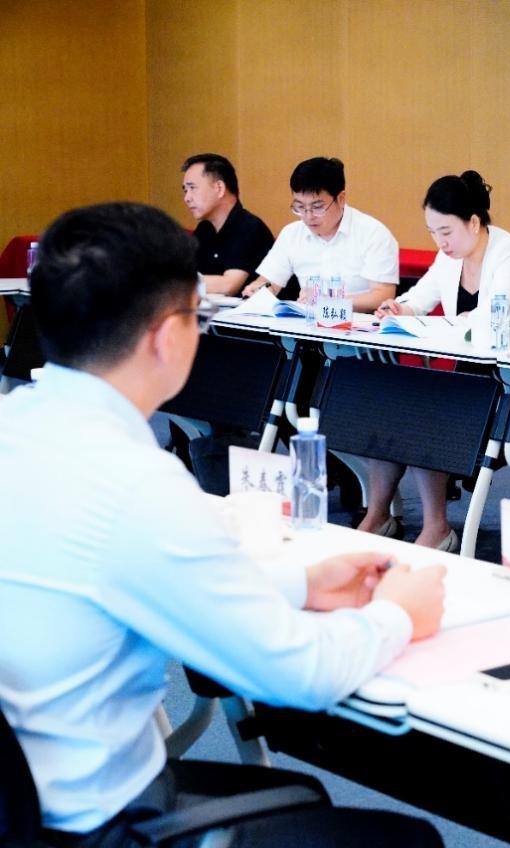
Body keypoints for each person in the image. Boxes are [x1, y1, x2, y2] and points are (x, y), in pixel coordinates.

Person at [0, 202, 446, 846]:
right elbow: (299, 674)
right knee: (405, 841)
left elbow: (115, 577)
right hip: (99, 823)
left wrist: (298, 585)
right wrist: (399, 613)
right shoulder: (137, 484)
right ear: (166, 335)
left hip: (28, 803)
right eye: (199, 317)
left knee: (304, 802)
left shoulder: (18, 430)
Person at [362, 170, 510, 549]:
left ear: (474, 223)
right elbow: (420, 298)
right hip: (472, 372)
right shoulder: (449, 257)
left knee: (428, 414)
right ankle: (377, 515)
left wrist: (453, 321)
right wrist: (399, 308)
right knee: (395, 408)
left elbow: (489, 320)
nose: (440, 242)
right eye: (433, 232)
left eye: (446, 231)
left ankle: (437, 528)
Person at [243, 157, 398, 313]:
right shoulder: (291, 234)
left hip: (357, 324)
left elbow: (382, 295)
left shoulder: (374, 234)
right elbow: (269, 281)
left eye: (317, 207)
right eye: (300, 207)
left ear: (341, 199)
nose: (308, 217)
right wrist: (258, 290)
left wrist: (331, 300)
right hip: (306, 323)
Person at [181, 153, 274, 296]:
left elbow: (228, 286)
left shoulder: (248, 227)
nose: (187, 198)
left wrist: (171, 283)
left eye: (192, 188)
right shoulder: (205, 229)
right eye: (185, 190)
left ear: (219, 188)